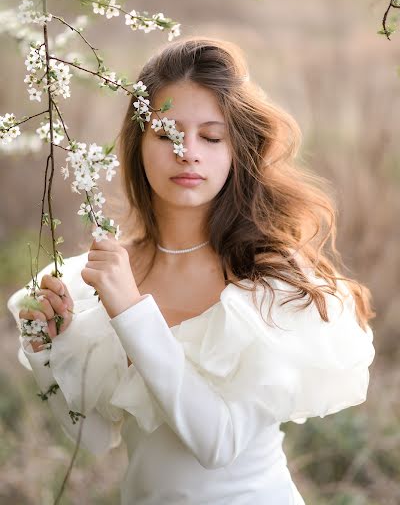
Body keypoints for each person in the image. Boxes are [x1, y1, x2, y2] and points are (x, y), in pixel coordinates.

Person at [8, 36, 376, 505]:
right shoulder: (107, 272)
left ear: (236, 150)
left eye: (211, 136)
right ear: (138, 144)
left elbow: (216, 443)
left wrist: (131, 310)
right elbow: (94, 437)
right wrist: (49, 349)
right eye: (167, 134)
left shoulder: (266, 279)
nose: (188, 152)